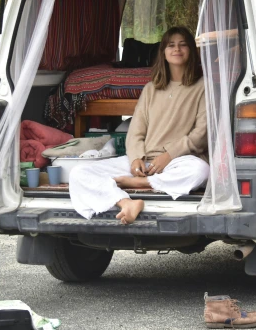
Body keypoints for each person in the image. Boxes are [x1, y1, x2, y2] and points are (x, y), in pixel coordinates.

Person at [69, 26, 209, 224]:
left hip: (180, 161)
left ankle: (140, 184)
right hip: (145, 163)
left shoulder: (202, 86)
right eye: (171, 45)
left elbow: (200, 134)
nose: (177, 49)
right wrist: (135, 159)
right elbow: (136, 131)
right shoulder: (151, 89)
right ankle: (125, 202)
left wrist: (168, 155)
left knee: (201, 171)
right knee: (79, 173)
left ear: (191, 51)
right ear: (163, 53)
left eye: (183, 45)